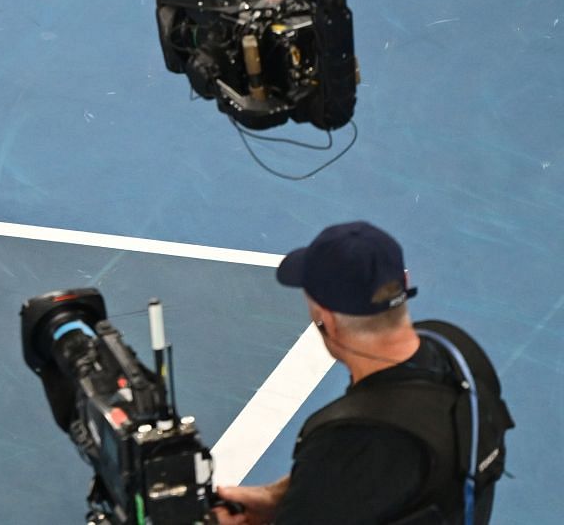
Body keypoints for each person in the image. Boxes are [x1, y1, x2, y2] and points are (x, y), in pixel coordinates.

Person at [217, 221, 511, 524]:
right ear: (404, 282)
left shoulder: (351, 439)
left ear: (326, 321)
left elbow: (354, 469)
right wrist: (277, 498)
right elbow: (380, 482)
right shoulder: (459, 350)